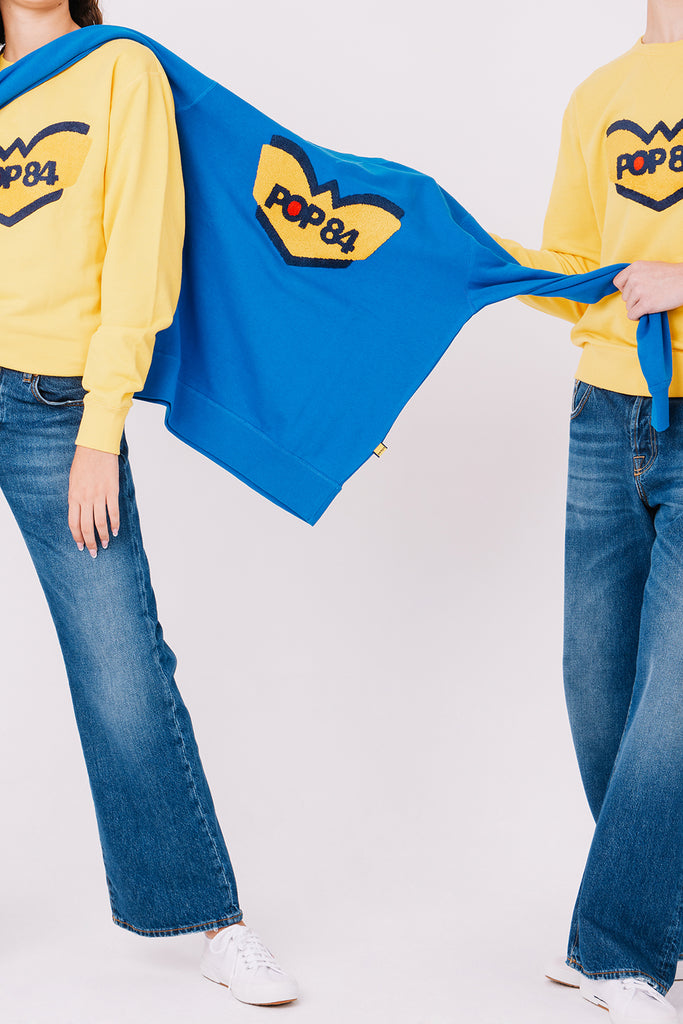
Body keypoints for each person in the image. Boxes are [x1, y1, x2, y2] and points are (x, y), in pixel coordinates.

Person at [0, 0, 298, 1008]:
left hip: (52, 406)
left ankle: (212, 920)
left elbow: (141, 252)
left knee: (119, 658)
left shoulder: (118, 69)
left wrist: (99, 427)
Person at [491, 1, 683, 1021]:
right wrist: (480, 259)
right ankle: (654, 913)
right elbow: (578, 274)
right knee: (593, 675)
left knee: (673, 693)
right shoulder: (598, 94)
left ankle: (618, 947)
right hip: (603, 413)